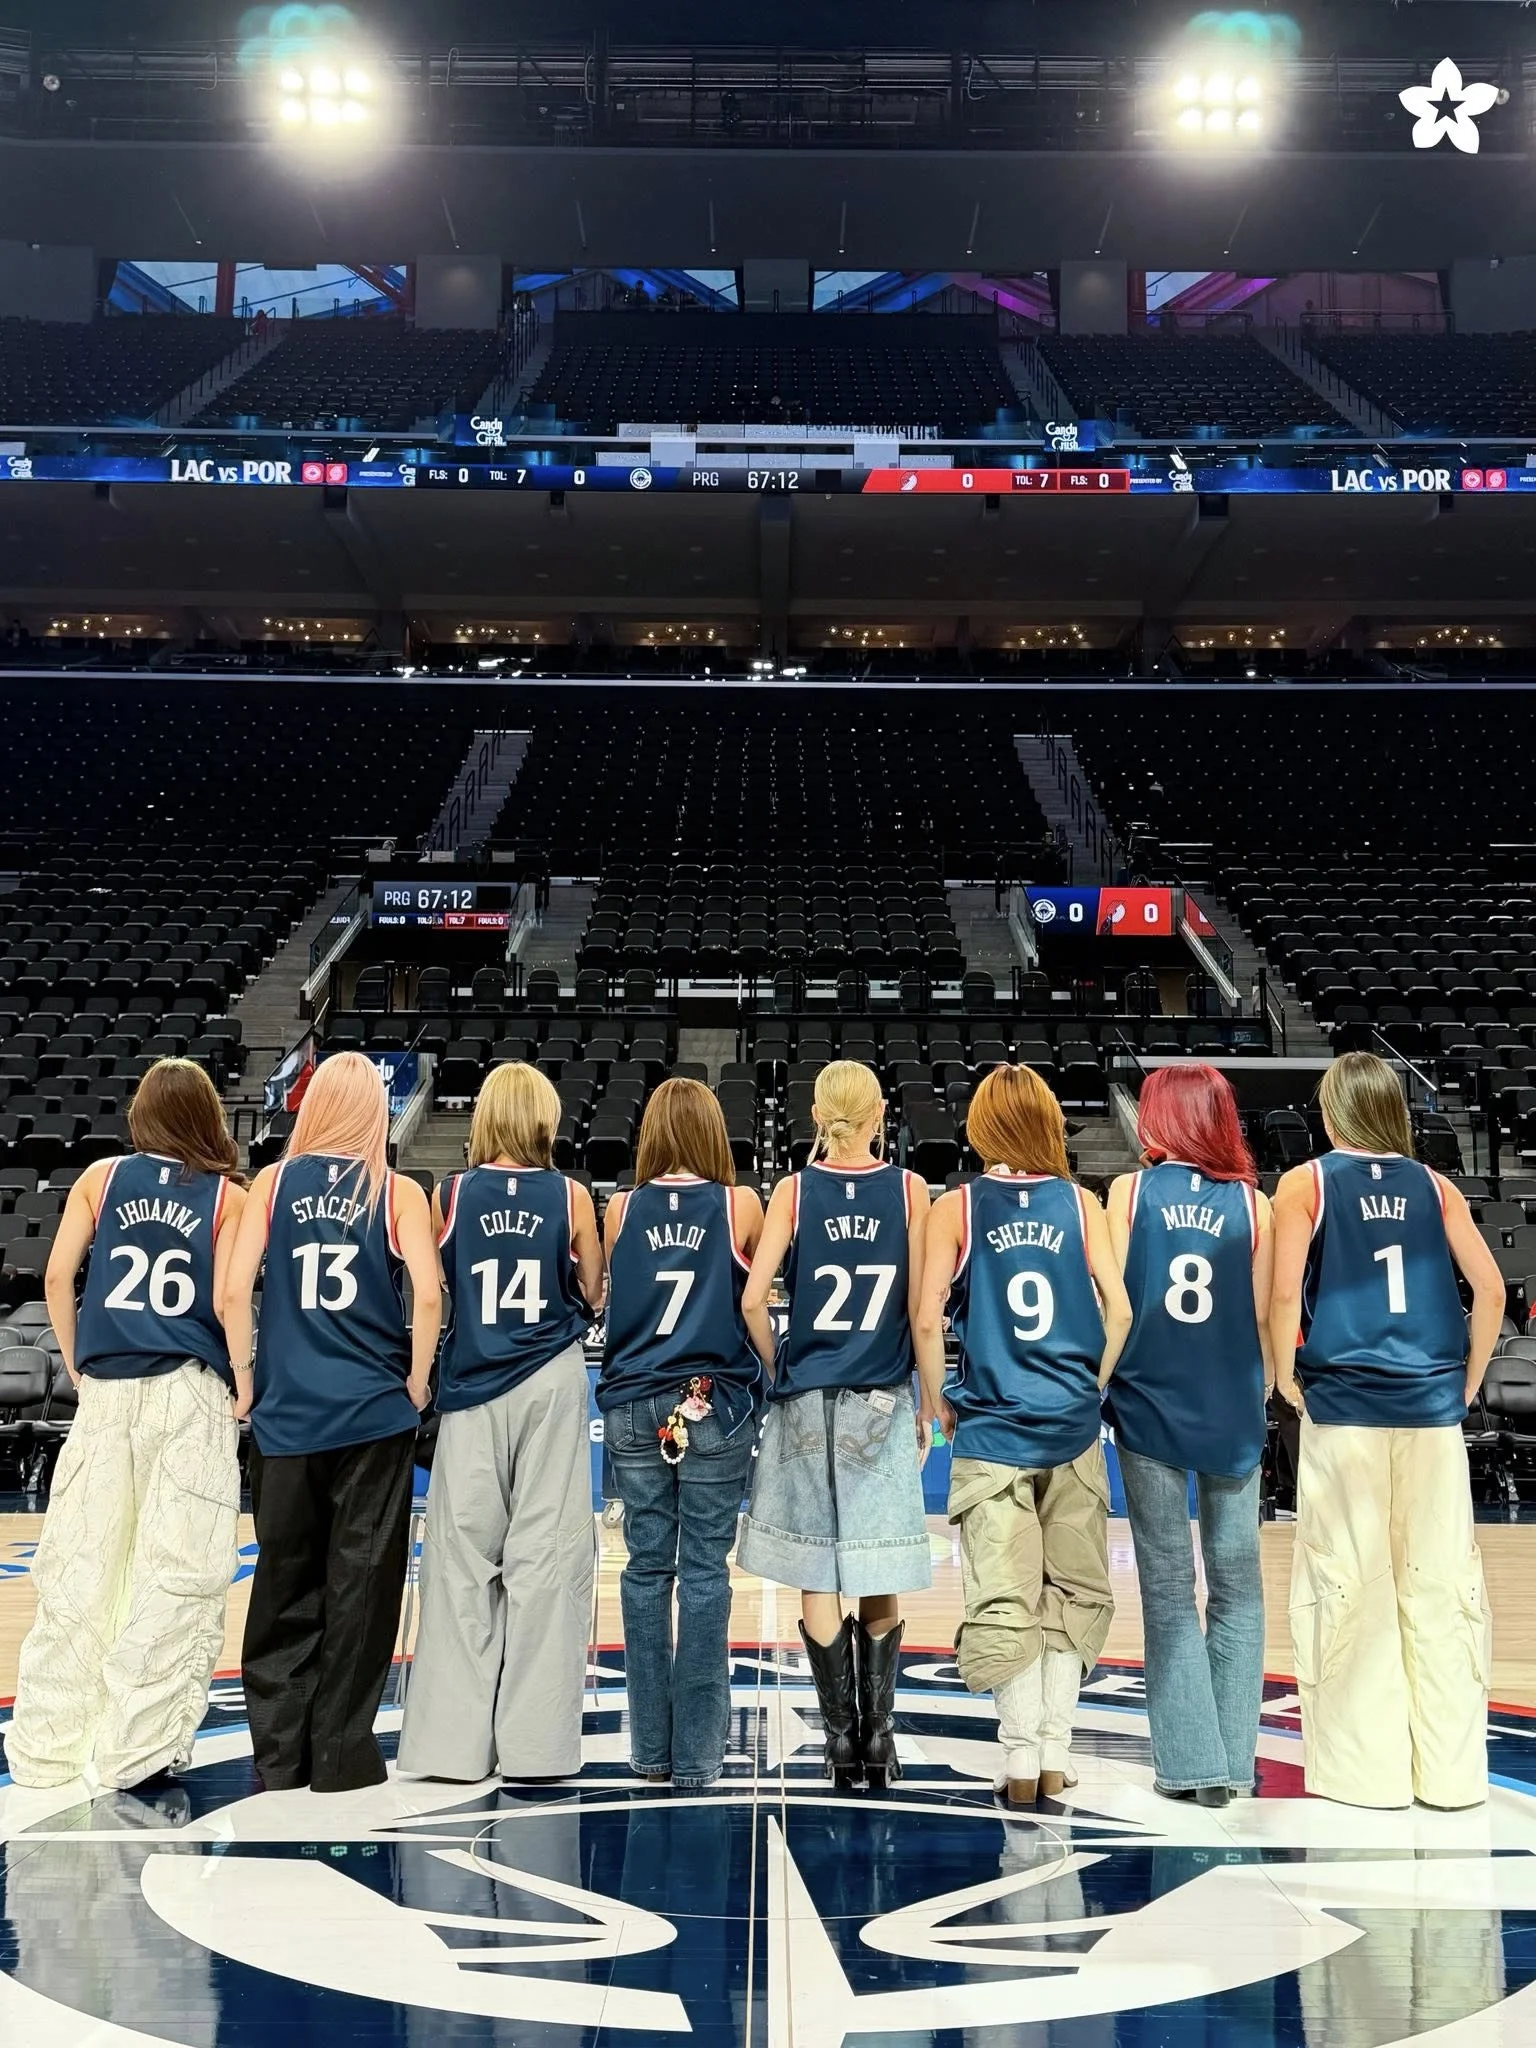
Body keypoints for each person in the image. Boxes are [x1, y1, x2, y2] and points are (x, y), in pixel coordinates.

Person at [1270, 1051, 1503, 1810]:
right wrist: (1467, 1382)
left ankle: (1365, 1780)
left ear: (1333, 1112)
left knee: (1348, 1586)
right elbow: (1493, 1290)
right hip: (1431, 1412)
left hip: (1347, 1411)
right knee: (1441, 1589)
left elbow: (1280, 1294)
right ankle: (1451, 1778)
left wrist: (1283, 1374)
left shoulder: (1306, 1183)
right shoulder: (1437, 1187)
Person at [6, 1059, 245, 1791]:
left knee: (81, 1566)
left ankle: (46, 1750)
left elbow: (55, 1278)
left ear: (142, 1113)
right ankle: (137, 1752)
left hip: (107, 1389)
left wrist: (75, 1362)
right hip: (186, 1388)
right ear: (207, 1118)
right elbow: (233, 1300)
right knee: (176, 1575)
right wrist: (246, 1383)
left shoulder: (100, 1178)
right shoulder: (226, 1198)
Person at [222, 1052, 442, 1794]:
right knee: (362, 1585)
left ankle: (277, 1758)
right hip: (372, 1415)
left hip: (286, 1417)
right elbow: (431, 1297)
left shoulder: (272, 1185)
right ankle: (343, 1756)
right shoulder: (397, 1189)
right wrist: (416, 1382)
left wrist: (245, 1382)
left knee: (282, 1583)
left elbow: (231, 1295)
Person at [914, 1064, 1131, 1808]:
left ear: (983, 1128)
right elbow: (1122, 1311)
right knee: (1070, 1596)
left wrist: (938, 1397)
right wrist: (1091, 1385)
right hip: (1072, 1427)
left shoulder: (959, 1208)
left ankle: (1015, 1764)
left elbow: (924, 1315)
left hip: (990, 1428)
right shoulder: (1081, 1202)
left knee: (1002, 1598)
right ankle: (1055, 1755)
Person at [398, 1062, 604, 1785]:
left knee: (461, 1563)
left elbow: (433, 1287)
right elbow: (593, 1290)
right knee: (547, 1564)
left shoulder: (446, 1195)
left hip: (473, 1381)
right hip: (549, 1376)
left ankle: (449, 1751)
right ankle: (538, 1751)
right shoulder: (572, 1195)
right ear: (543, 1119)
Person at [738, 1061, 931, 1790]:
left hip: (808, 1392)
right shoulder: (911, 1191)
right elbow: (919, 1309)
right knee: (878, 1562)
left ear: (817, 1114)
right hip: (879, 1392)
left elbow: (756, 1301)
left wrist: (778, 1363)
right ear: (881, 1113)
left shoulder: (793, 1190)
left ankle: (840, 1741)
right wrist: (923, 1392)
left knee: (817, 1567)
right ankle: (880, 1740)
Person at [1104, 1064, 1274, 1808]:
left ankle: (1191, 1763)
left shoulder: (1128, 1193)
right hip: (1231, 1405)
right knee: (1238, 1590)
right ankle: (1233, 1766)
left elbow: (1112, 1301)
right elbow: (1267, 1317)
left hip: (1148, 1403)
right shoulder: (1254, 1203)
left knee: (1169, 1592)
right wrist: (1263, 1386)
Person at [597, 1078, 766, 1789]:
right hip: (713, 1400)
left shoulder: (620, 1208)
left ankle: (650, 1752)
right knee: (703, 1572)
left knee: (643, 1570)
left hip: (636, 1402)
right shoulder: (739, 1205)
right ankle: (698, 1758)